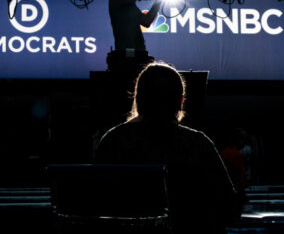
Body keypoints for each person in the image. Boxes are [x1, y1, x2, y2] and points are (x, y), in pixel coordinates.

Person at [94, 61, 239, 234]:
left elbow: (96, 203)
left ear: (138, 99)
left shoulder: (113, 141)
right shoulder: (198, 144)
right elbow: (229, 207)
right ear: (180, 101)